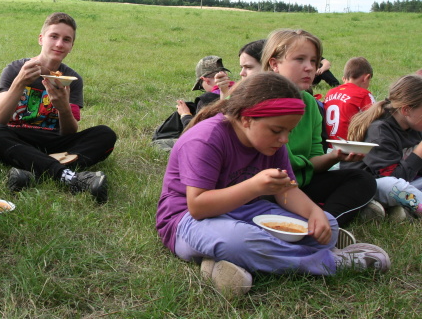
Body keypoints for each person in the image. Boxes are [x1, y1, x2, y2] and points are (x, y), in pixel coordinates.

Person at [156, 72, 390, 296]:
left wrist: (314, 212)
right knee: (239, 240)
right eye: (277, 130)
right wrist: (254, 187)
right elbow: (198, 207)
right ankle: (330, 262)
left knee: (327, 225)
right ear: (246, 119)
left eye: (289, 131)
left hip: (246, 211)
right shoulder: (206, 139)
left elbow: (287, 189)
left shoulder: (272, 143)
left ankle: (223, 265)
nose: (284, 139)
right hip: (186, 221)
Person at [0, 12, 116, 203]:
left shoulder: (71, 80)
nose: (59, 44)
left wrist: (63, 108)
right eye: (54, 36)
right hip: (19, 137)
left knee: (105, 135)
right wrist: (20, 82)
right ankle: (69, 177)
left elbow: (69, 132)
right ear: (41, 39)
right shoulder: (15, 69)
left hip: (54, 141)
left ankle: (31, 170)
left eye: (66, 39)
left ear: (71, 46)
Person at [262, 29, 376, 238]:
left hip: (301, 184)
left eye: (314, 61)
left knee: (363, 179)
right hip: (270, 187)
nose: (310, 67)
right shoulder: (260, 102)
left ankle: (325, 223)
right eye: (300, 59)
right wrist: (305, 165)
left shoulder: (310, 103)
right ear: (274, 63)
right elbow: (273, 164)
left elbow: (314, 159)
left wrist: (335, 156)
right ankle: (311, 224)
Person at [343, 74, 422, 221]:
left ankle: (400, 210)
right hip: (372, 185)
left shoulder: (415, 127)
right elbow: (394, 177)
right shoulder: (380, 131)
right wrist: (419, 152)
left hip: (405, 182)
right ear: (406, 110)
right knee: (395, 187)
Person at [323, 57, 375, 142]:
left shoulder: (330, 92)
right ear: (366, 78)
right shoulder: (363, 94)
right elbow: (375, 123)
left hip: (328, 145)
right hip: (349, 146)